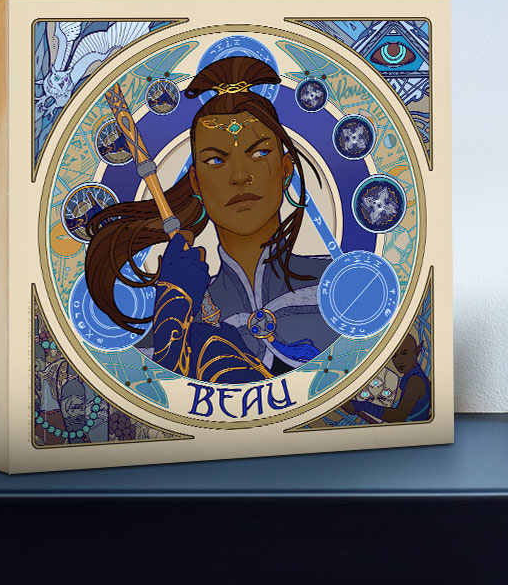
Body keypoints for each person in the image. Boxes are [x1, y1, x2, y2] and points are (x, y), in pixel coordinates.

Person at [83, 56, 339, 382]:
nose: (240, 176)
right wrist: (175, 304)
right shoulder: (173, 314)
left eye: (260, 153)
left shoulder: (341, 287)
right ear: (196, 183)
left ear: (286, 170)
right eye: (216, 160)